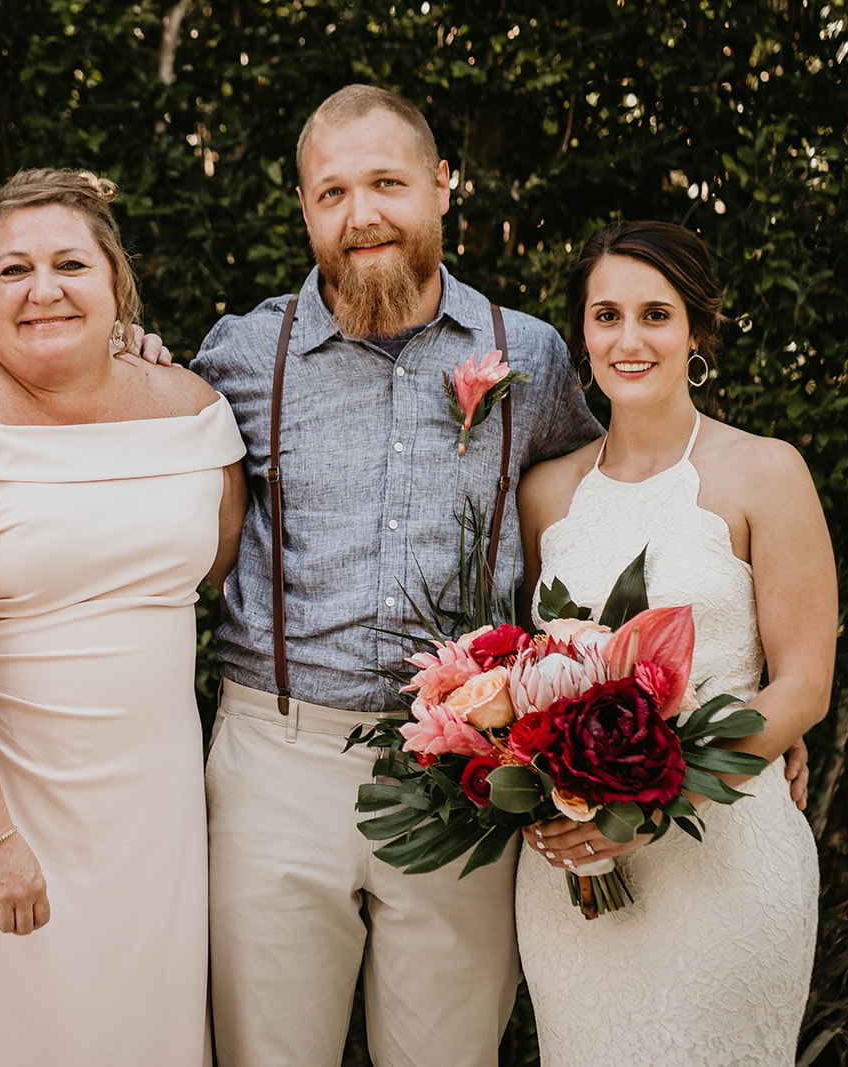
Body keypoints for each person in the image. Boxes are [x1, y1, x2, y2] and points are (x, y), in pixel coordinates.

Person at [187, 84, 603, 1067]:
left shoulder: (529, 353)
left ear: (442, 185)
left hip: (466, 767)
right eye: (331, 192)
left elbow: (600, 523)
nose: (361, 213)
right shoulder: (241, 354)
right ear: (301, 207)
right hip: (276, 756)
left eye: (386, 182)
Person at [0, 168, 246, 1065]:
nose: (44, 289)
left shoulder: (193, 413)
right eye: (13, 270)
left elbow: (218, 564)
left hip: (152, 809)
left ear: (115, 284)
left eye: (71, 263)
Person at [514, 220, 834, 1064]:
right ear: (581, 332)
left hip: (722, 855)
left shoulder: (767, 471)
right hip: (573, 874)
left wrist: (653, 805)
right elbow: (516, 670)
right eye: (606, 314)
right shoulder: (545, 494)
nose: (629, 338)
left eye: (656, 314)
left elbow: (804, 685)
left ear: (697, 330)